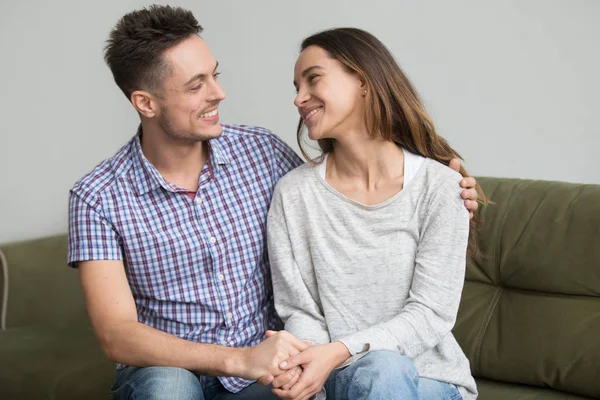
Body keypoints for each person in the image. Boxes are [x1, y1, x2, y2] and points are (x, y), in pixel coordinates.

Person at [67, 5, 480, 400]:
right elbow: (116, 333)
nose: (219, 93)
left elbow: (350, 183)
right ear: (146, 103)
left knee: (369, 375)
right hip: (188, 368)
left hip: (277, 373)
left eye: (214, 76)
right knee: (170, 387)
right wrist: (242, 360)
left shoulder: (261, 154)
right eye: (196, 85)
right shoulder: (97, 197)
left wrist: (446, 182)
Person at [266, 28, 483, 400]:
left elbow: (430, 314)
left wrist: (339, 352)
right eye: (296, 86)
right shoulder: (294, 193)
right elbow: (300, 310)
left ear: (362, 80)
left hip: (429, 380)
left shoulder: (441, 187)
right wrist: (311, 366)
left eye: (313, 79)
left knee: (384, 369)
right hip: (335, 381)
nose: (299, 98)